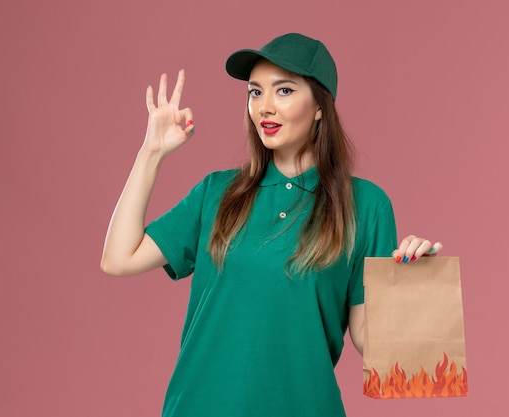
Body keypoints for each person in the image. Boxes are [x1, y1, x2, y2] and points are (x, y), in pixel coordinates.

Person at [101, 33, 442, 417]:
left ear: (319, 106)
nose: (264, 107)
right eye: (255, 92)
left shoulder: (366, 205)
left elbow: (375, 342)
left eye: (283, 91)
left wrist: (414, 285)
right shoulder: (217, 193)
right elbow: (118, 258)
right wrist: (151, 153)